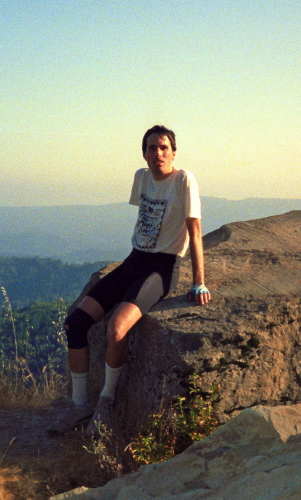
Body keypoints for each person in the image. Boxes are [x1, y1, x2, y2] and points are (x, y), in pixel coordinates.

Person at [46, 125, 211, 436]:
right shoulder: (142, 177)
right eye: (151, 148)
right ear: (144, 153)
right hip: (134, 260)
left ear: (174, 152)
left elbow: (195, 231)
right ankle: (79, 406)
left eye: (164, 147)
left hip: (161, 268)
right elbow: (147, 220)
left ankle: (105, 403)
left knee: (117, 328)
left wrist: (198, 281)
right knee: (75, 323)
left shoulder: (184, 180)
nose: (157, 153)